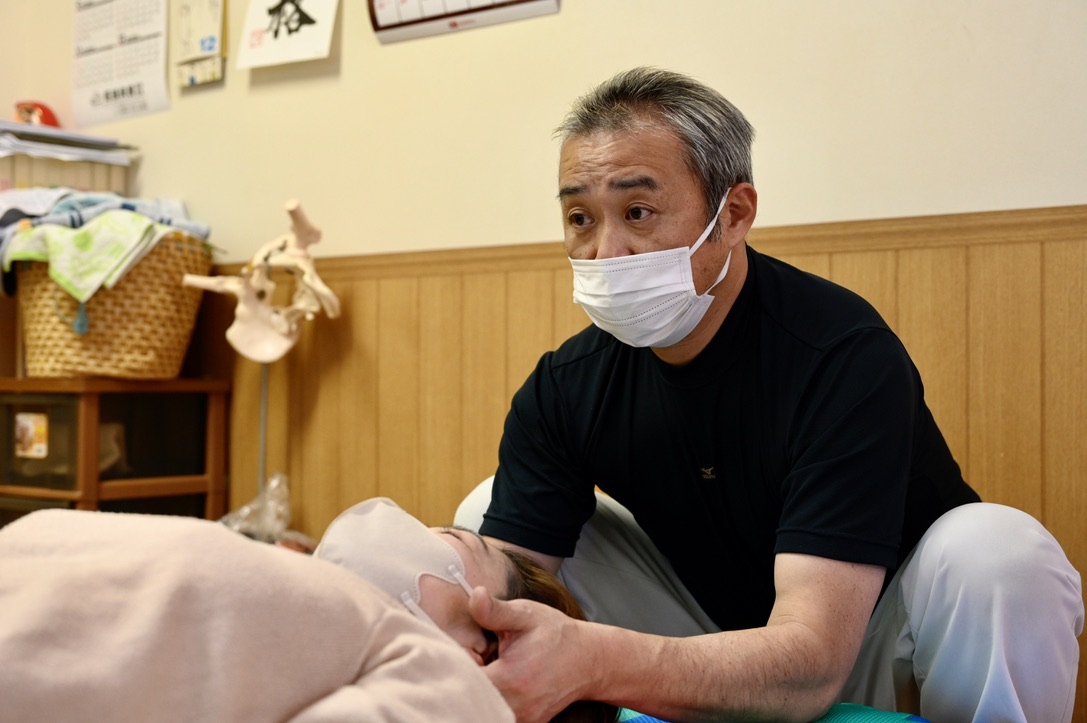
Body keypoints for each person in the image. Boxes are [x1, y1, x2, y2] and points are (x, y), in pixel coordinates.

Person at [455, 67, 1085, 723]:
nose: (605, 252)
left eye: (637, 212)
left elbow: (812, 657)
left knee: (1000, 552)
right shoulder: (566, 384)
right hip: (702, 632)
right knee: (485, 536)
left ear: (733, 214)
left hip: (865, 642)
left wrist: (597, 660)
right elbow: (498, 600)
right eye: (580, 218)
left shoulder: (839, 355)